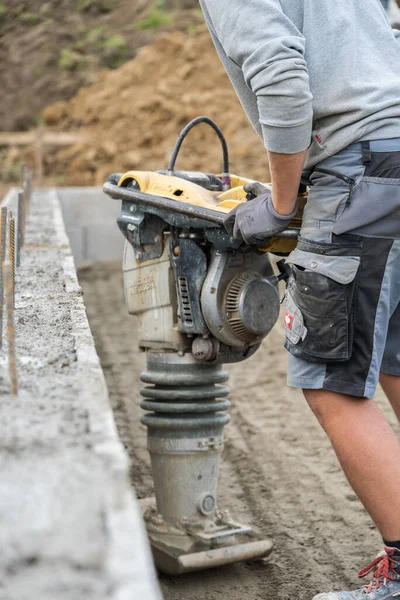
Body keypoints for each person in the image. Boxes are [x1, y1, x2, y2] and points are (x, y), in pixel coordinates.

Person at [199, 1, 400, 599]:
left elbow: (282, 74)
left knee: (330, 379)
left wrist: (282, 202)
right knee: (392, 356)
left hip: (360, 170)